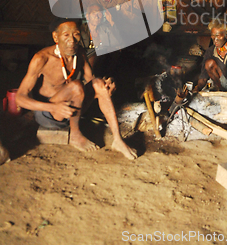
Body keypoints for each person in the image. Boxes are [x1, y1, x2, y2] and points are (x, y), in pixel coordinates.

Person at [16, 18, 137, 160]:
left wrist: (106, 87)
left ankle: (118, 140)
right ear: (56, 37)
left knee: (98, 83)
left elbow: (92, 79)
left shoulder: (79, 53)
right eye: (66, 35)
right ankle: (75, 134)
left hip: (72, 110)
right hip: (49, 114)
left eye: (76, 34)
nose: (72, 40)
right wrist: (52, 107)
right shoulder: (42, 58)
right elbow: (20, 97)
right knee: (76, 85)